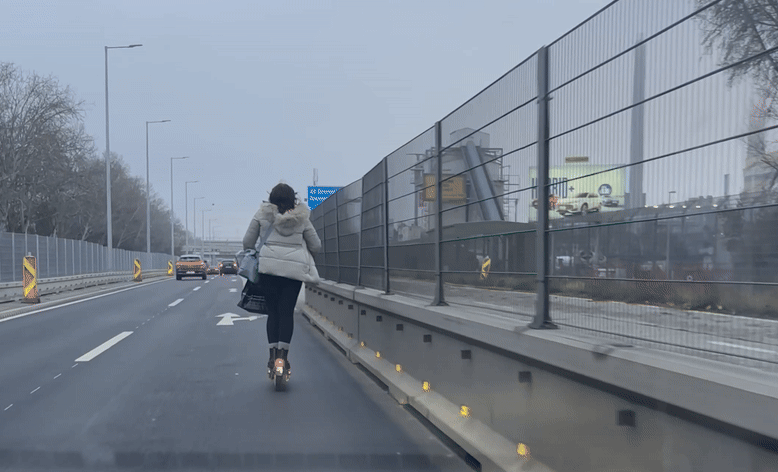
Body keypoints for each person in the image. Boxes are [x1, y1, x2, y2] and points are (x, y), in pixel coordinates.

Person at [242, 183, 321, 378]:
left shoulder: (262, 215)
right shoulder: (302, 218)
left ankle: (272, 357)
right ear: (293, 199)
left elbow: (247, 242)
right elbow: (316, 245)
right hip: (293, 273)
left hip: (268, 271)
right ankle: (282, 359)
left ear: (271, 198)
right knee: (286, 313)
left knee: (273, 313)